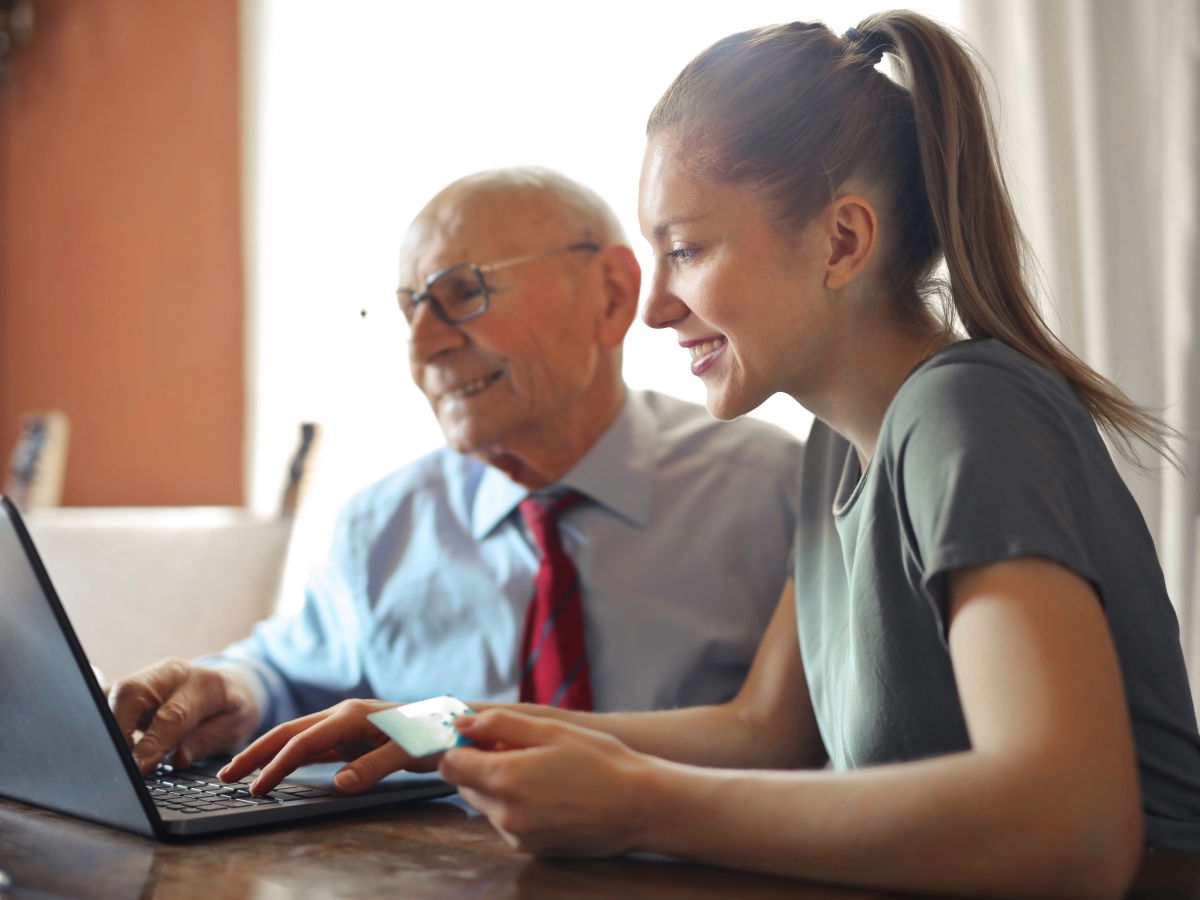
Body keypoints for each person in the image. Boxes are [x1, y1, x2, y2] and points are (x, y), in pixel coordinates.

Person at [219, 13, 1200, 897]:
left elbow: (1072, 830)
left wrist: (639, 804)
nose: (653, 308)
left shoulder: (965, 412)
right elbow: (760, 733)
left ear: (842, 240)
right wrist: (434, 725)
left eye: (685, 250)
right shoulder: (834, 453)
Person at [105, 168, 803, 777]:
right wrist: (232, 688)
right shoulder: (383, 524)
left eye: (461, 292)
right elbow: (286, 672)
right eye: (410, 307)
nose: (422, 346)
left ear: (613, 295)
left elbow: (801, 743)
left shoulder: (775, 491)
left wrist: (434, 727)